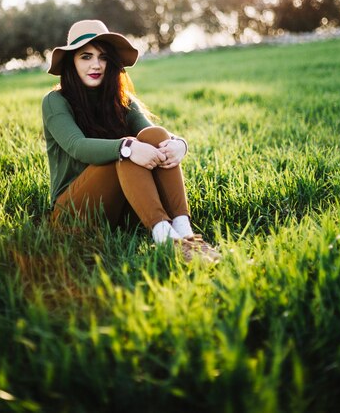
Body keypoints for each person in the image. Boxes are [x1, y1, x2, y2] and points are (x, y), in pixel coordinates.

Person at [42, 19, 220, 263]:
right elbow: (77, 146)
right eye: (86, 56)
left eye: (103, 57)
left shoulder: (121, 99)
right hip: (74, 213)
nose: (96, 65)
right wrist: (126, 148)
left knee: (155, 137)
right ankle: (166, 241)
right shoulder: (55, 101)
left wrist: (179, 144)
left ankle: (184, 235)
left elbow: (154, 137)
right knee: (126, 148)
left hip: (121, 210)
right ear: (71, 61)